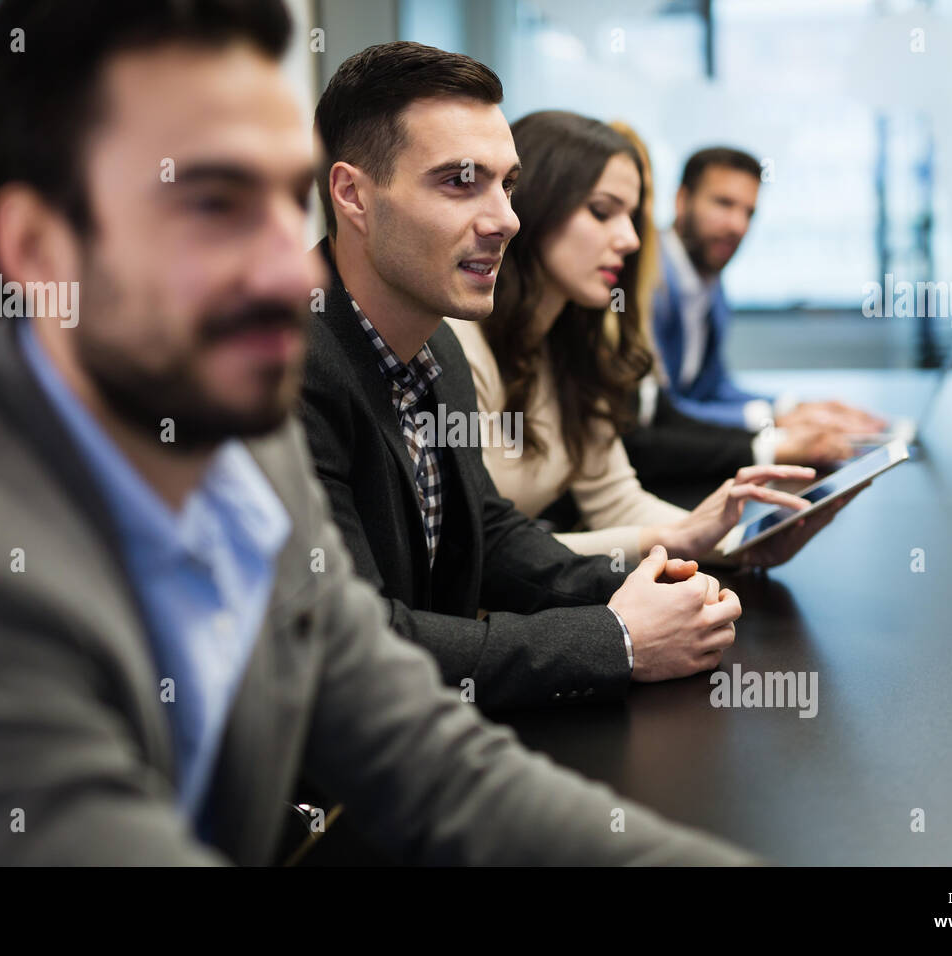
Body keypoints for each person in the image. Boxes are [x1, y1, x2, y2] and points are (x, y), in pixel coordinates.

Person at [0, 0, 755, 866]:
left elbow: (430, 763)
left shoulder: (238, 443)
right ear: (38, 250)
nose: (282, 267)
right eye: (218, 204)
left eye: (283, 200)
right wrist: (611, 635)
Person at [300, 42, 742, 715]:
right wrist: (618, 638)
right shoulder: (285, 367)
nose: (506, 218)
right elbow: (355, 646)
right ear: (353, 195)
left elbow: (488, 531)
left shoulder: (437, 348)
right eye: (459, 182)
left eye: (507, 185)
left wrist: (654, 583)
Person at [449, 110, 855, 566]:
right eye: (602, 212)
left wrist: (737, 545)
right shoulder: (457, 346)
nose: (630, 240)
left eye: (633, 217)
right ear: (533, 207)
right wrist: (684, 540)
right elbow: (483, 553)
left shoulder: (571, 350)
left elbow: (616, 501)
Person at [646, 146, 887, 447]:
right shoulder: (645, 280)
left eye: (749, 212)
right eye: (723, 204)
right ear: (682, 200)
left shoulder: (709, 282)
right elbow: (658, 412)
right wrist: (770, 422)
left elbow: (712, 387)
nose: (738, 226)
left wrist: (794, 408)